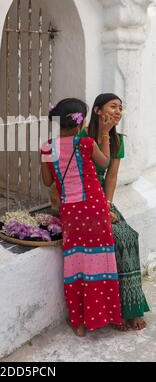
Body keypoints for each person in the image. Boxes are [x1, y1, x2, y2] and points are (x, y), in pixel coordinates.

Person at [41, 98, 122, 337]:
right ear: (79, 123)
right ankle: (104, 315)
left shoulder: (47, 147)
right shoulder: (86, 142)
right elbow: (105, 163)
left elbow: (47, 181)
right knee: (100, 261)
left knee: (76, 264)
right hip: (95, 209)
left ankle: (79, 323)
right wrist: (106, 134)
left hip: (71, 213)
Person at [78, 93, 150, 331]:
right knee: (115, 240)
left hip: (102, 202)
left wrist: (107, 206)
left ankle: (132, 309)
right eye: (113, 106)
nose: (118, 111)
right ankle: (116, 311)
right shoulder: (82, 136)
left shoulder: (117, 140)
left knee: (128, 237)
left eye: (121, 107)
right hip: (82, 201)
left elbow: (111, 175)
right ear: (98, 110)